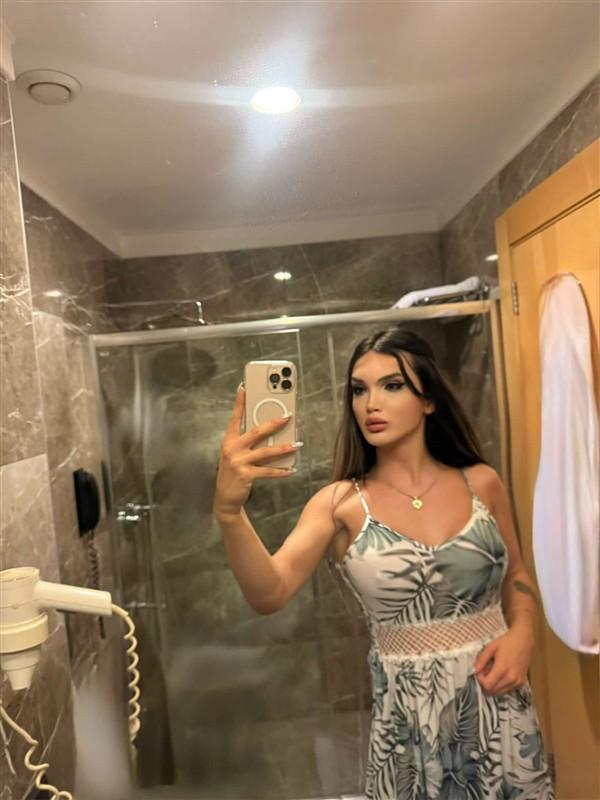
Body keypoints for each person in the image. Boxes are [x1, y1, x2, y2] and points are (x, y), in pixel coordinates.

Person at [214, 327, 555, 799]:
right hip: (408, 733)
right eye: (359, 390)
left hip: (501, 715)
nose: (370, 404)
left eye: (392, 385)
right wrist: (229, 512)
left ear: (428, 399)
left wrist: (523, 633)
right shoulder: (340, 504)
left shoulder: (481, 482)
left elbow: (516, 573)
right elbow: (268, 593)